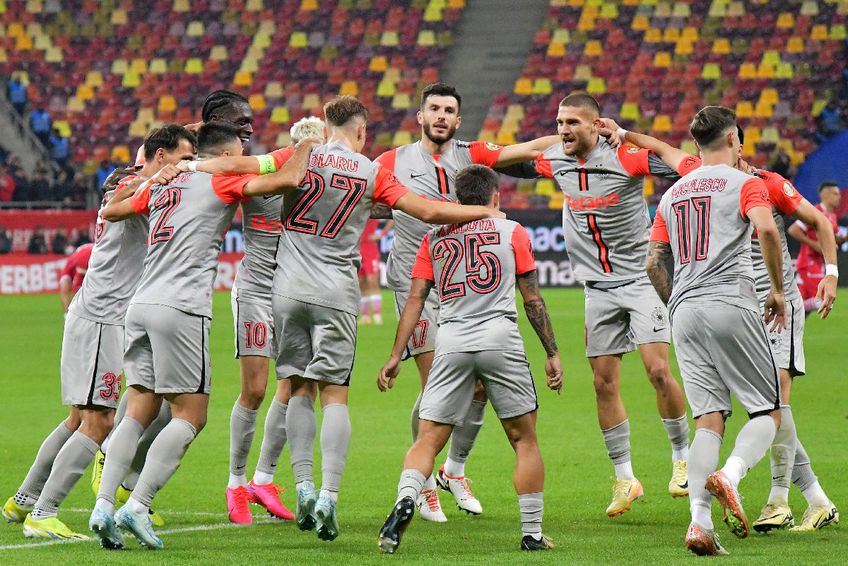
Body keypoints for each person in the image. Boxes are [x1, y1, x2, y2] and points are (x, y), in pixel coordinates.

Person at [191, 95, 506, 542]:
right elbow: (430, 211)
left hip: (286, 290)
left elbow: (236, 167)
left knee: (296, 386)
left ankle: (301, 486)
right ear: (360, 131)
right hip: (336, 292)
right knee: (334, 395)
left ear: (324, 125)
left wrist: (186, 167)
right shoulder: (373, 171)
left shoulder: (296, 155)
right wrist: (483, 210)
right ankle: (329, 497)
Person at [596, 119, 842, 533]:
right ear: (732, 141)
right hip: (738, 303)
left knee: (769, 404)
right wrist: (625, 134)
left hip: (772, 303)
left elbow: (817, 221)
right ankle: (809, 497)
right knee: (769, 408)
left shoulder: (766, 182)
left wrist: (831, 272)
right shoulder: (704, 175)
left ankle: (777, 500)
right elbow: (659, 147)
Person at [88, 122, 316, 551]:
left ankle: (102, 506)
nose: (239, 157)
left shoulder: (164, 185)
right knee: (190, 416)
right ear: (225, 156)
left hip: (140, 305)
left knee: (137, 411)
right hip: (182, 308)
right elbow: (289, 178)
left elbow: (111, 211)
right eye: (236, 152)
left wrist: (153, 177)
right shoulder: (222, 177)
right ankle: (137, 506)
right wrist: (306, 144)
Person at [0, 126, 196, 540]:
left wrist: (194, 133)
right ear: (159, 157)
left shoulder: (140, 178)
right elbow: (116, 204)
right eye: (181, 159)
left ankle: (22, 501)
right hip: (103, 318)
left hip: (100, 316)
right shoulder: (129, 183)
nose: (186, 167)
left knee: (78, 418)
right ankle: (44, 512)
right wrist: (155, 178)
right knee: (100, 421)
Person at [375, 83, 560, 520]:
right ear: (420, 117)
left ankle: (453, 470)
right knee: (435, 386)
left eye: (449, 111)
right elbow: (359, 197)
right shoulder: (391, 161)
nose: (441, 116)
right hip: (416, 282)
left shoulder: (470, 152)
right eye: (434, 109)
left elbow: (527, 148)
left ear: (458, 120)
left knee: (476, 384)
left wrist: (578, 135)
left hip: (463, 283)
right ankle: (423, 487)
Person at [532, 92, 691, 516]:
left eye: (572, 123)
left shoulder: (626, 157)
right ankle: (625, 478)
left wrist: (629, 135)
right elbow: (512, 163)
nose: (563, 130)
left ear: (596, 125)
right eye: (559, 122)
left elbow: (681, 161)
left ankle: (682, 460)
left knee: (658, 370)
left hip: (640, 280)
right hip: (596, 289)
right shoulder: (555, 159)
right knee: (603, 383)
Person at [646, 106, 786, 556]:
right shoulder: (748, 183)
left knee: (708, 418)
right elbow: (766, 228)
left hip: (683, 309)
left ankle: (700, 524)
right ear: (733, 140)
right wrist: (778, 290)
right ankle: (733, 474)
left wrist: (676, 304)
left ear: (695, 145)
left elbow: (653, 262)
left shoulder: (672, 194)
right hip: (730, 299)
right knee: (768, 411)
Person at [224, 115, 325, 526]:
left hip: (291, 297)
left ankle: (263, 480)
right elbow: (229, 167)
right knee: (255, 389)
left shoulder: (324, 188)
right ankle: (235, 483)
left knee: (298, 384)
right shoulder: (268, 171)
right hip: (254, 292)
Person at [788, 181, 846, 314]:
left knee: (806, 308)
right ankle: (790, 310)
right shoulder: (814, 212)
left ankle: (792, 321)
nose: (839, 197)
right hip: (809, 263)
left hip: (820, 263)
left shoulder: (832, 215)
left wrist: (840, 240)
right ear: (824, 195)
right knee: (820, 300)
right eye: (835, 194)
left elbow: (833, 239)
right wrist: (813, 244)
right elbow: (794, 229)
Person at [358, 218, 390, 325]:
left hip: (370, 248)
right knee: (361, 283)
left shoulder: (374, 208)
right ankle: (365, 316)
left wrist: (382, 233)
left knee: (373, 281)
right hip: (357, 247)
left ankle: (377, 315)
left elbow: (392, 218)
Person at [58, 242, 93, 312]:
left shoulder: (80, 257)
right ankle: (69, 313)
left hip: (87, 259)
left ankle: (69, 313)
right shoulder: (72, 264)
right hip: (88, 259)